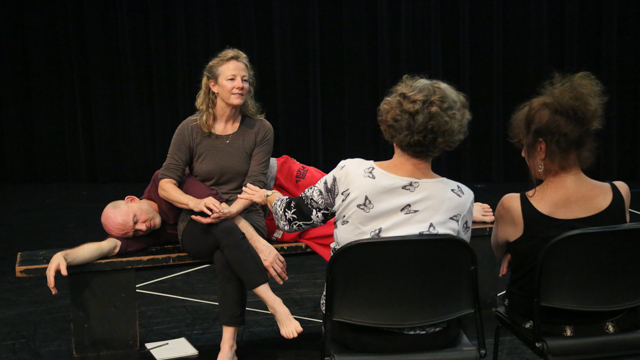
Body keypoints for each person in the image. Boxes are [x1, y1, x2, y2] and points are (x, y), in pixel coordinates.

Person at [240, 75, 477, 353]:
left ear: (389, 124)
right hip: (434, 332)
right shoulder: (462, 197)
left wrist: (269, 196)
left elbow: (289, 219)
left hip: (354, 329)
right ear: (449, 134)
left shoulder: (351, 174)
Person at [157, 48, 302, 360]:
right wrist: (195, 203)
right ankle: (275, 304)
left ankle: (228, 348)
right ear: (213, 86)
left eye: (245, 80)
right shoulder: (190, 129)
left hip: (245, 214)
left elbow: (255, 185)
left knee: (228, 254)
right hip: (197, 222)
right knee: (225, 234)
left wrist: (230, 210)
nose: (240, 85)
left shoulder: (260, 129)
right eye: (232, 79)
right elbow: (165, 183)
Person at [491, 72, 635, 336]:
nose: (523, 154)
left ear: (542, 148)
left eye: (526, 146)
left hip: (544, 325)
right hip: (616, 320)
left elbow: (500, 254)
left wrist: (523, 248)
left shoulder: (513, 207)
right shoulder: (621, 193)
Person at [46, 170, 287, 295]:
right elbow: (105, 247)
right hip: (250, 223)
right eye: (133, 233)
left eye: (136, 220)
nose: (143, 228)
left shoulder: (164, 182)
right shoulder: (145, 233)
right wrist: (64, 256)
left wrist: (260, 245)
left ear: (132, 200)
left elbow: (221, 208)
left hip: (264, 183)